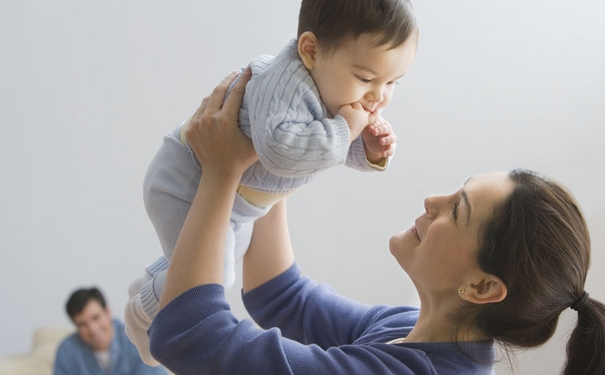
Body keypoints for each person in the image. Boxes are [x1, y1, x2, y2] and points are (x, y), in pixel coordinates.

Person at [147, 71, 605, 375]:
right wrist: (284, 154)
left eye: (457, 210)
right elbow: (282, 298)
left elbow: (189, 336)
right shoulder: (419, 333)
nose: (433, 200)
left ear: (482, 288)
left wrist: (222, 172)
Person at [125, 0, 419, 365]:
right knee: (217, 272)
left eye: (392, 82)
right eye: (365, 78)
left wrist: (367, 149)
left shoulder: (330, 85)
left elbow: (322, 148)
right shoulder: (285, 86)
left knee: (220, 257)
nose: (379, 96)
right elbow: (283, 151)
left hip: (236, 200)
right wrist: (346, 129)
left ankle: (154, 286)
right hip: (185, 180)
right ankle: (143, 312)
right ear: (310, 51)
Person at [53, 287, 167, 375]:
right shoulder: (67, 351)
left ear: (107, 312)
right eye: (82, 324)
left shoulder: (135, 338)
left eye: (96, 317)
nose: (93, 329)